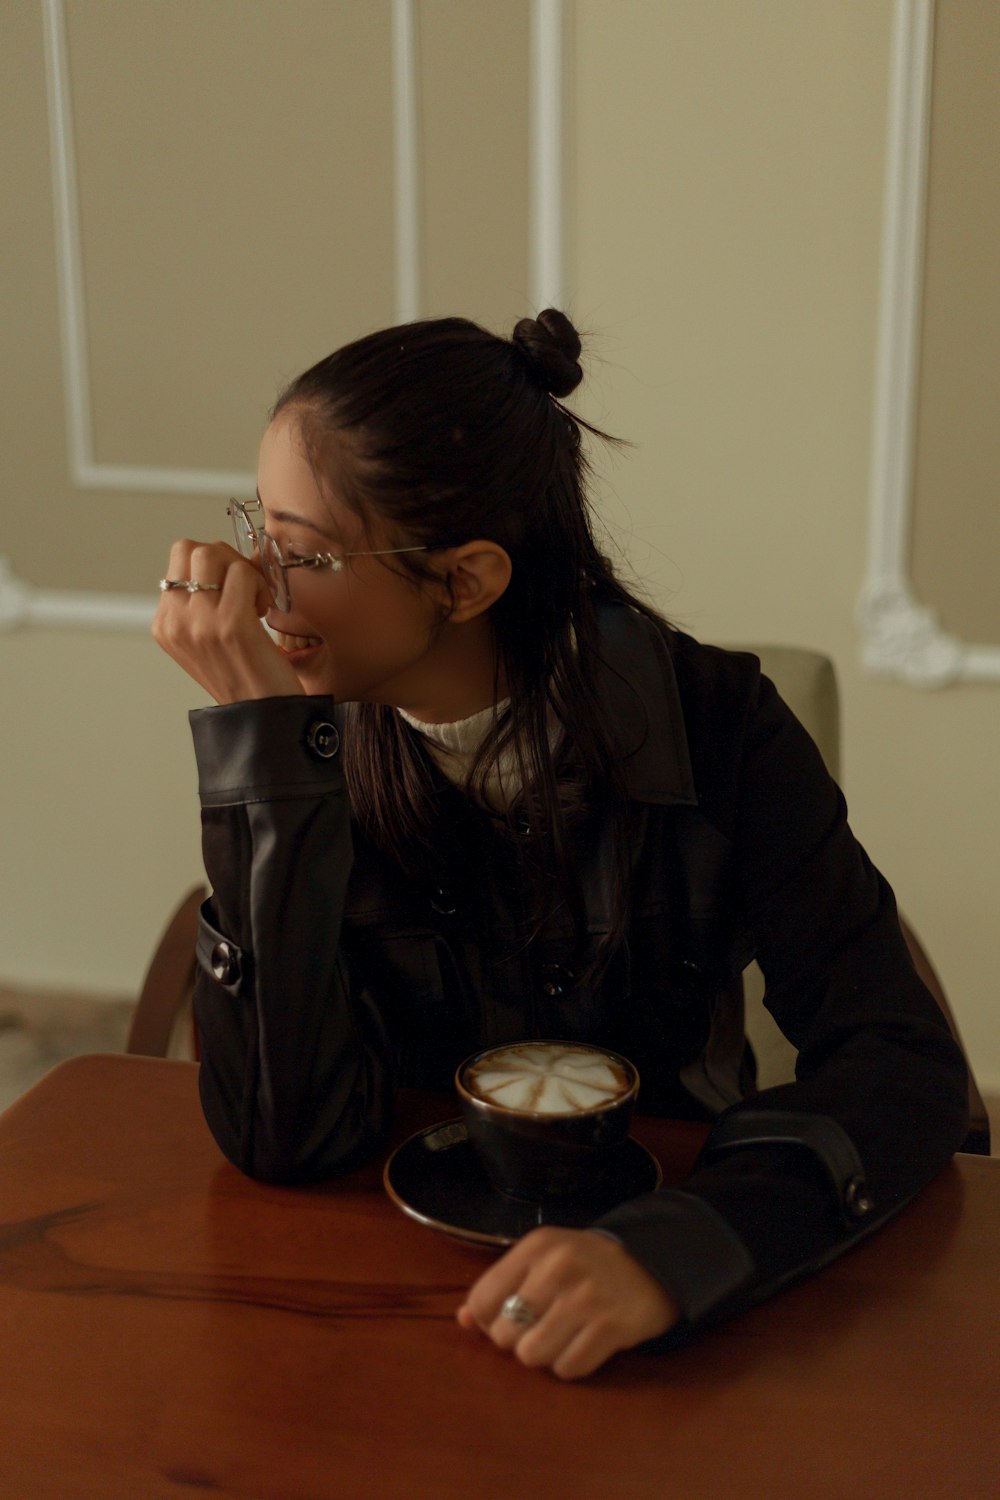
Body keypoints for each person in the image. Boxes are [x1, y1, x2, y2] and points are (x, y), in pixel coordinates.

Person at [153, 309, 968, 1381]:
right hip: (386, 1289)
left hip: (665, 1290)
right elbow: (284, 1137)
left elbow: (900, 1065)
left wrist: (679, 1253)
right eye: (255, 530)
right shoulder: (307, 751)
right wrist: (261, 769)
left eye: (300, 553)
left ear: (467, 581)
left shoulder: (718, 726)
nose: (255, 589)